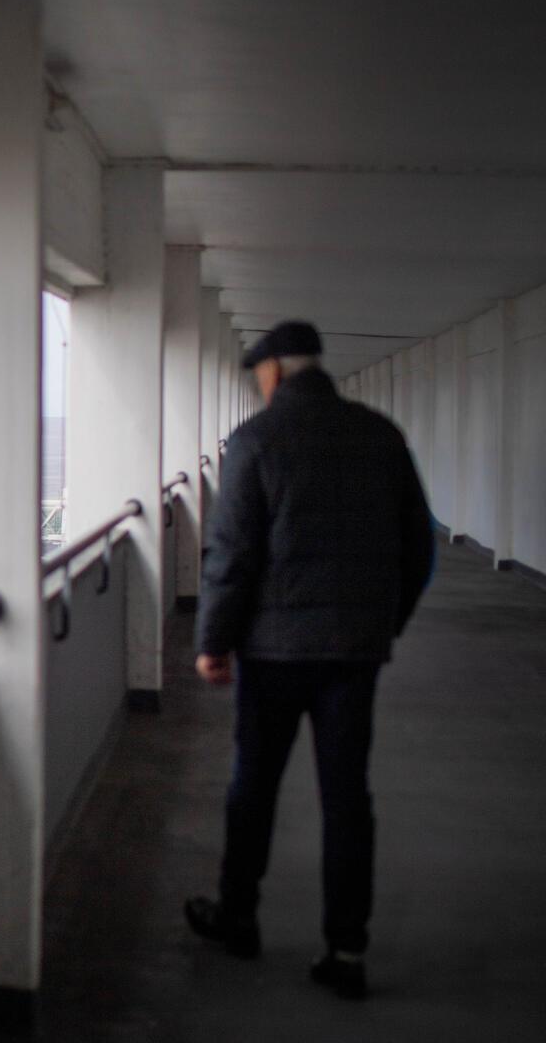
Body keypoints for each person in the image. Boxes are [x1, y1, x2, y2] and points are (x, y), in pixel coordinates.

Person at [185, 320, 434, 1000]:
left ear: (274, 373)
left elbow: (232, 556)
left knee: (253, 788)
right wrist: (385, 623)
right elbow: (420, 547)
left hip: (272, 653)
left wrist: (213, 643)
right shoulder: (378, 434)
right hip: (353, 654)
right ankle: (346, 949)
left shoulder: (256, 440)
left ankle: (238, 918)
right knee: (347, 798)